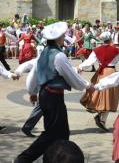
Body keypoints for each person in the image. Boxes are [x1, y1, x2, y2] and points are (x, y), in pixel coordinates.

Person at [14, 21, 94, 163]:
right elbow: (72, 78)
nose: (64, 37)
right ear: (58, 38)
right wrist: (87, 85)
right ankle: (25, 159)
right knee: (54, 133)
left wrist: (32, 91)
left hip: (46, 95)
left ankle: (53, 157)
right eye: (63, 35)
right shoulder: (59, 56)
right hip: (53, 97)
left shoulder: (44, 52)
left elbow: (34, 73)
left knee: (59, 132)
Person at [77, 31, 119, 131]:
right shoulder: (116, 50)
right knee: (109, 96)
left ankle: (101, 118)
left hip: (100, 72)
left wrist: (80, 67)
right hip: (111, 73)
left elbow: (89, 62)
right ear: (110, 39)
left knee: (102, 95)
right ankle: (102, 119)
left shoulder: (96, 50)